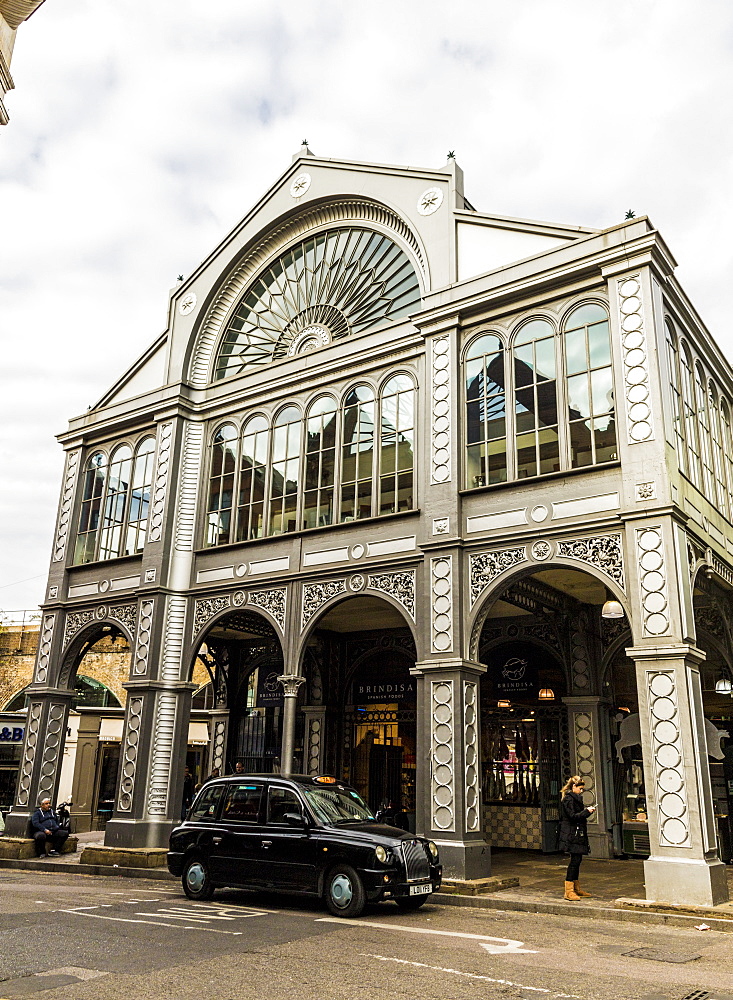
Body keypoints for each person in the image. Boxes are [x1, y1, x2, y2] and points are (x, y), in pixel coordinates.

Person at [558, 775, 595, 900]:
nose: (582, 791)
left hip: (576, 832)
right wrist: (586, 812)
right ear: (574, 787)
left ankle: (575, 887)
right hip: (572, 833)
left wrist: (586, 812)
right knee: (574, 861)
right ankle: (569, 891)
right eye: (580, 788)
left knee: (577, 860)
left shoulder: (575, 798)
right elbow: (573, 816)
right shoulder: (568, 799)